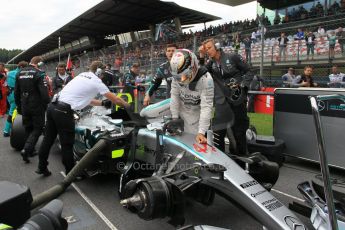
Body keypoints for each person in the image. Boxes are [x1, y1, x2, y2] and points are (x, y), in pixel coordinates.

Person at [36, 61, 131, 176]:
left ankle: (41, 167)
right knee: (67, 144)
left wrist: (102, 103)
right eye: (102, 73)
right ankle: (71, 173)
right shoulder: (96, 81)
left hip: (53, 107)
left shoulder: (81, 76)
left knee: (48, 140)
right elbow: (116, 100)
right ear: (99, 71)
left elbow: (85, 99)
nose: (103, 76)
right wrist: (129, 107)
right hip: (63, 111)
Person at [199, 38, 253, 156]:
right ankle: (221, 161)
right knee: (217, 133)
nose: (207, 50)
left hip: (237, 101)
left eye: (209, 48)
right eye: (205, 49)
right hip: (221, 103)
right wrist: (201, 56)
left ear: (217, 46)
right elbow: (200, 73)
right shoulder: (211, 63)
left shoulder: (232, 57)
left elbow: (249, 71)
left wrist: (242, 86)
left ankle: (243, 162)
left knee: (238, 133)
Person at [170, 49, 214, 143]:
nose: (180, 80)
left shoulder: (206, 79)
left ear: (193, 67)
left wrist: (201, 132)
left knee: (192, 143)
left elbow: (206, 107)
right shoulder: (176, 76)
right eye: (177, 77)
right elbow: (174, 96)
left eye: (183, 76)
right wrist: (174, 118)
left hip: (195, 117)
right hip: (181, 111)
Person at [14, 56, 50, 163]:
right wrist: (47, 106)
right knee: (38, 128)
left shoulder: (19, 73)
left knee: (28, 127)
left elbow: (16, 92)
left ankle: (31, 149)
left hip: (24, 104)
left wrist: (19, 106)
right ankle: (27, 149)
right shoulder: (38, 74)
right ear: (38, 64)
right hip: (37, 106)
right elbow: (44, 94)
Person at [3, 61, 28, 137]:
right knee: (13, 112)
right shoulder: (20, 74)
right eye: (25, 68)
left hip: (9, 94)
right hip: (15, 95)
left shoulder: (9, 73)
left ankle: (10, 129)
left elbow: (5, 84)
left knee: (13, 111)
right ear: (21, 67)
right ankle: (6, 131)